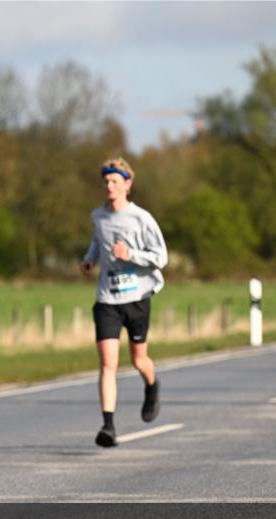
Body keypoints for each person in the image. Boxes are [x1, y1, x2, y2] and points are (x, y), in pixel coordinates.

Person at [80, 158, 167, 448]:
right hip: (107, 299)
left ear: (127, 184)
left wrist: (130, 255)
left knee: (139, 360)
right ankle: (108, 426)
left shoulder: (141, 218)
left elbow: (161, 257)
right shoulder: (97, 216)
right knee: (108, 364)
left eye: (115, 181)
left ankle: (151, 385)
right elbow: (98, 240)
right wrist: (90, 259)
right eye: (106, 181)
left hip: (137, 297)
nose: (109, 186)